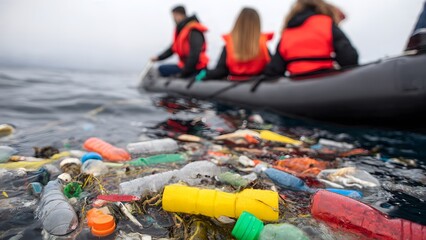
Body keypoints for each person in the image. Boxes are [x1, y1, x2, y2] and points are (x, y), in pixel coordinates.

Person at [265, 0, 358, 78]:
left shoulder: (287, 32)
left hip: (296, 86)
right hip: (326, 81)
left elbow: (274, 70)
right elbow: (349, 58)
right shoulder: (325, 23)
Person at [199, 7, 273, 81]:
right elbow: (272, 70)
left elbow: (220, 71)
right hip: (257, 86)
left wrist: (204, 74)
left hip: (233, 85)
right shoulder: (263, 46)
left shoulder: (229, 45)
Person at [151, 5, 209, 78]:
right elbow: (173, 48)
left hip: (196, 68)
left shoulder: (194, 31)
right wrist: (158, 57)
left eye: (174, 16)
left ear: (179, 15)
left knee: (163, 69)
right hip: (185, 66)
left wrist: (184, 73)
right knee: (162, 69)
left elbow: (195, 54)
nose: (173, 19)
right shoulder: (182, 31)